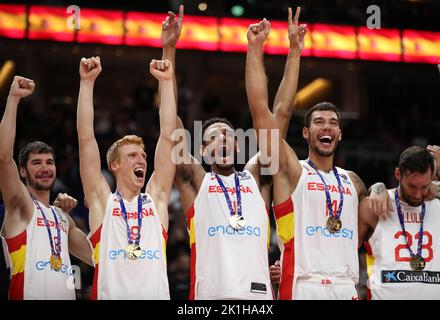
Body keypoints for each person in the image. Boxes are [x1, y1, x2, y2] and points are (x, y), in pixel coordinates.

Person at [161, 6, 307, 299]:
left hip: (259, 298)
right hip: (210, 298)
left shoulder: (258, 175)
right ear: (203, 150)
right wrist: (169, 48)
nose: (223, 141)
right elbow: (170, 121)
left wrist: (291, 51)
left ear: (239, 145)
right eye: (214, 138)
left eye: (228, 136)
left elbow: (281, 112)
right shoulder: (196, 181)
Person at [246, 18, 368, 300]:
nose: (327, 127)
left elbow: (372, 224)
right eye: (319, 122)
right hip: (303, 284)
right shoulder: (292, 172)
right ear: (305, 132)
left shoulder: (354, 181)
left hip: (347, 287)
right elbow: (267, 110)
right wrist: (281, 50)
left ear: (340, 134)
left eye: (333, 123)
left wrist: (376, 191)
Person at [76, 57, 177, 299]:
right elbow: (86, 139)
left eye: (143, 155)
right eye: (132, 156)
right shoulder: (103, 202)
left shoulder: (157, 200)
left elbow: (168, 138)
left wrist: (165, 83)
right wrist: (86, 83)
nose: (141, 160)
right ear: (115, 165)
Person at [0, 76, 93, 300]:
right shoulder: (20, 207)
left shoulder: (63, 218)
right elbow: (3, 157)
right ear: (22, 171)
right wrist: (13, 98)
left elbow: (97, 257)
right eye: (36, 163)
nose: (45, 168)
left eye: (49, 162)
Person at [358, 146, 440, 299]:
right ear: (397, 174)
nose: (418, 194)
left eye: (424, 186)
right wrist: (376, 187)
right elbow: (346, 250)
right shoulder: (373, 206)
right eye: (412, 186)